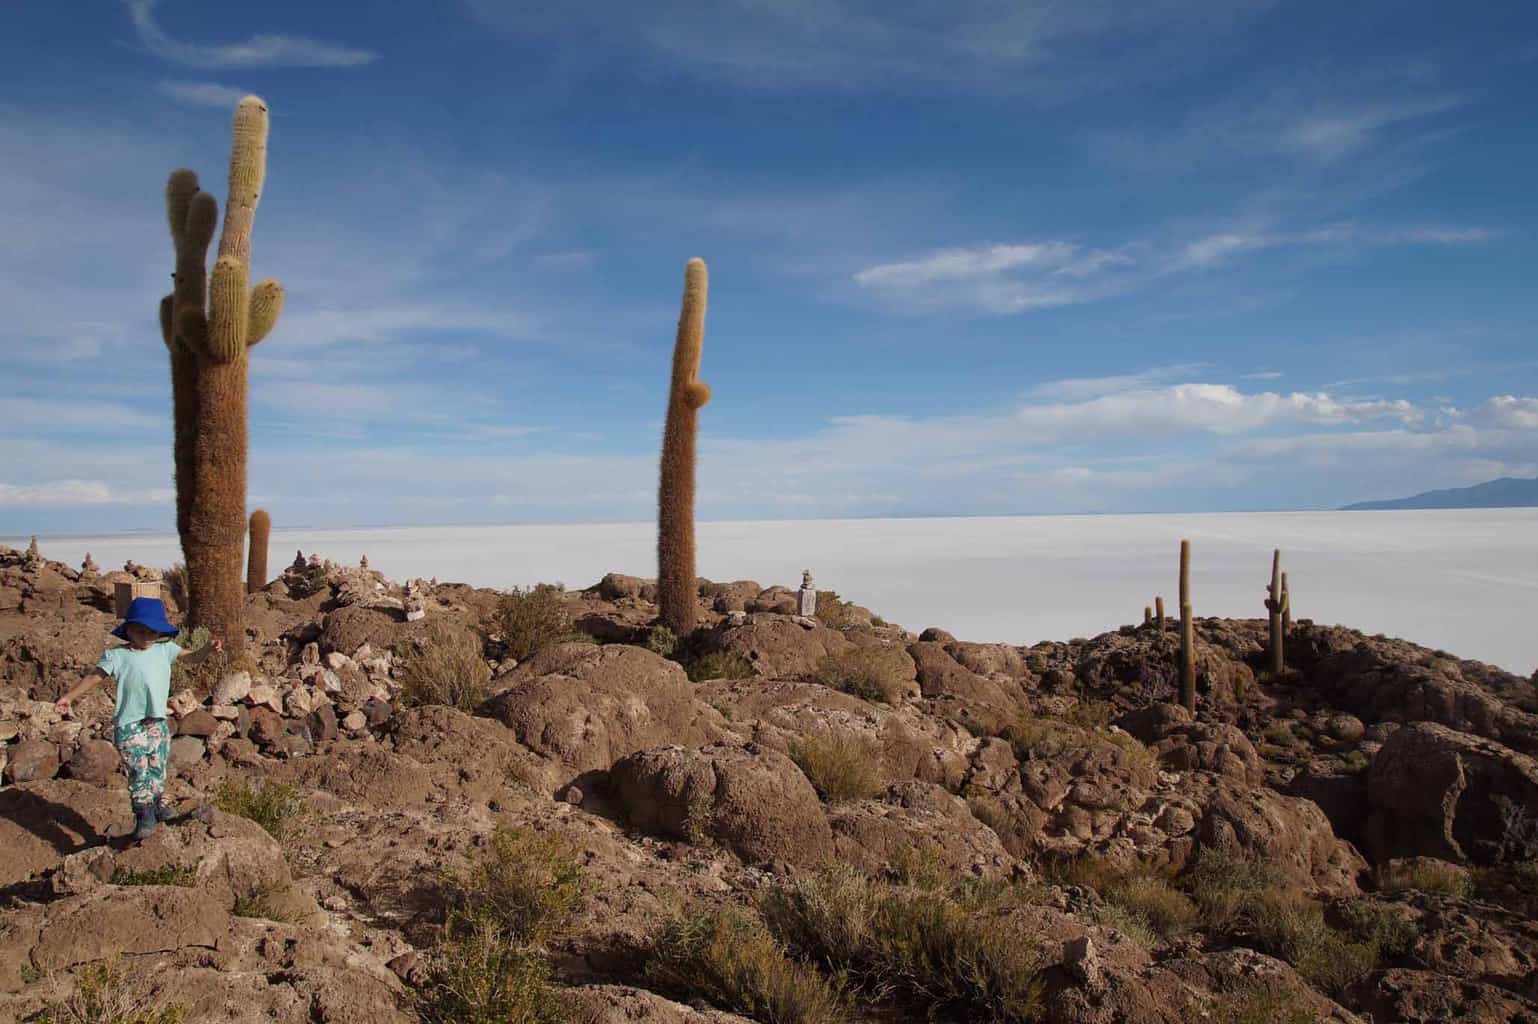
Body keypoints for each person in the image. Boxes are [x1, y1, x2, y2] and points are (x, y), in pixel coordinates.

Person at [53, 597, 222, 839]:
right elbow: (94, 677)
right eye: (141, 630)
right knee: (139, 770)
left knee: (157, 767)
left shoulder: (166, 650)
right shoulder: (116, 655)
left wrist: (207, 649)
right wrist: (69, 697)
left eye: (152, 631)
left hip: (157, 723)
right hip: (129, 725)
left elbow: (192, 657)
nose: (146, 636)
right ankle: (143, 813)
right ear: (129, 630)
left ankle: (156, 806)